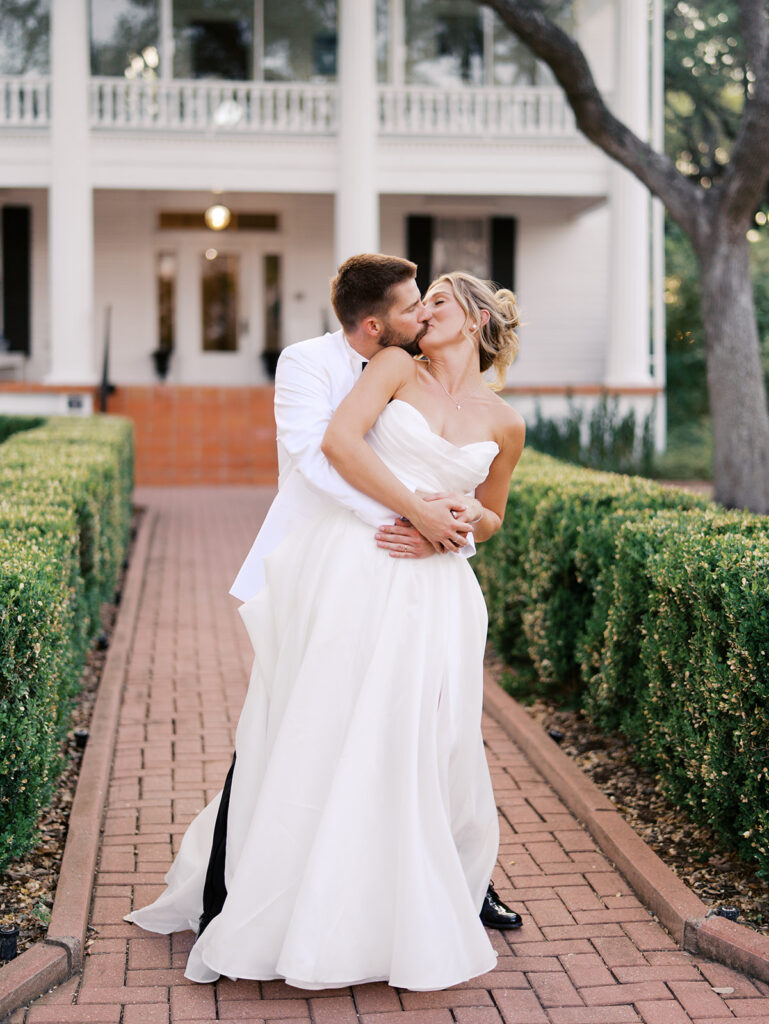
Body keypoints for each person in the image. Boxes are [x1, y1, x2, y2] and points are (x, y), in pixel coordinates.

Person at [126, 264, 526, 991]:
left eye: (435, 302)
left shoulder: (506, 421)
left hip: (441, 590)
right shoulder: (393, 367)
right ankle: (291, 897)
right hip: (362, 569)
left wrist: (467, 522)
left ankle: (427, 893)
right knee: (332, 725)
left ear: (472, 319)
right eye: (413, 302)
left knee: (426, 738)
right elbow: (335, 446)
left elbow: (493, 511)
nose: (419, 313)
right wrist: (415, 511)